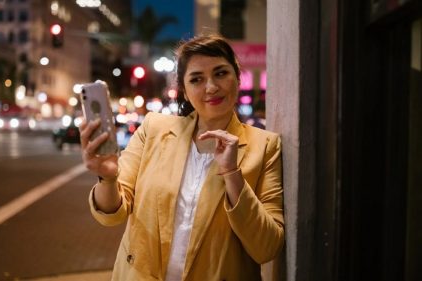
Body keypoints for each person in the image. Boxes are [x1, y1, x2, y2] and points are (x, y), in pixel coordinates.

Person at [79, 34, 284, 281]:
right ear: (185, 91)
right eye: (197, 79)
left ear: (238, 78)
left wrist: (232, 174)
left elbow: (267, 247)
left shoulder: (265, 146)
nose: (211, 87)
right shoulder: (154, 129)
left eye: (220, 73)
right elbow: (112, 214)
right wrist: (108, 178)